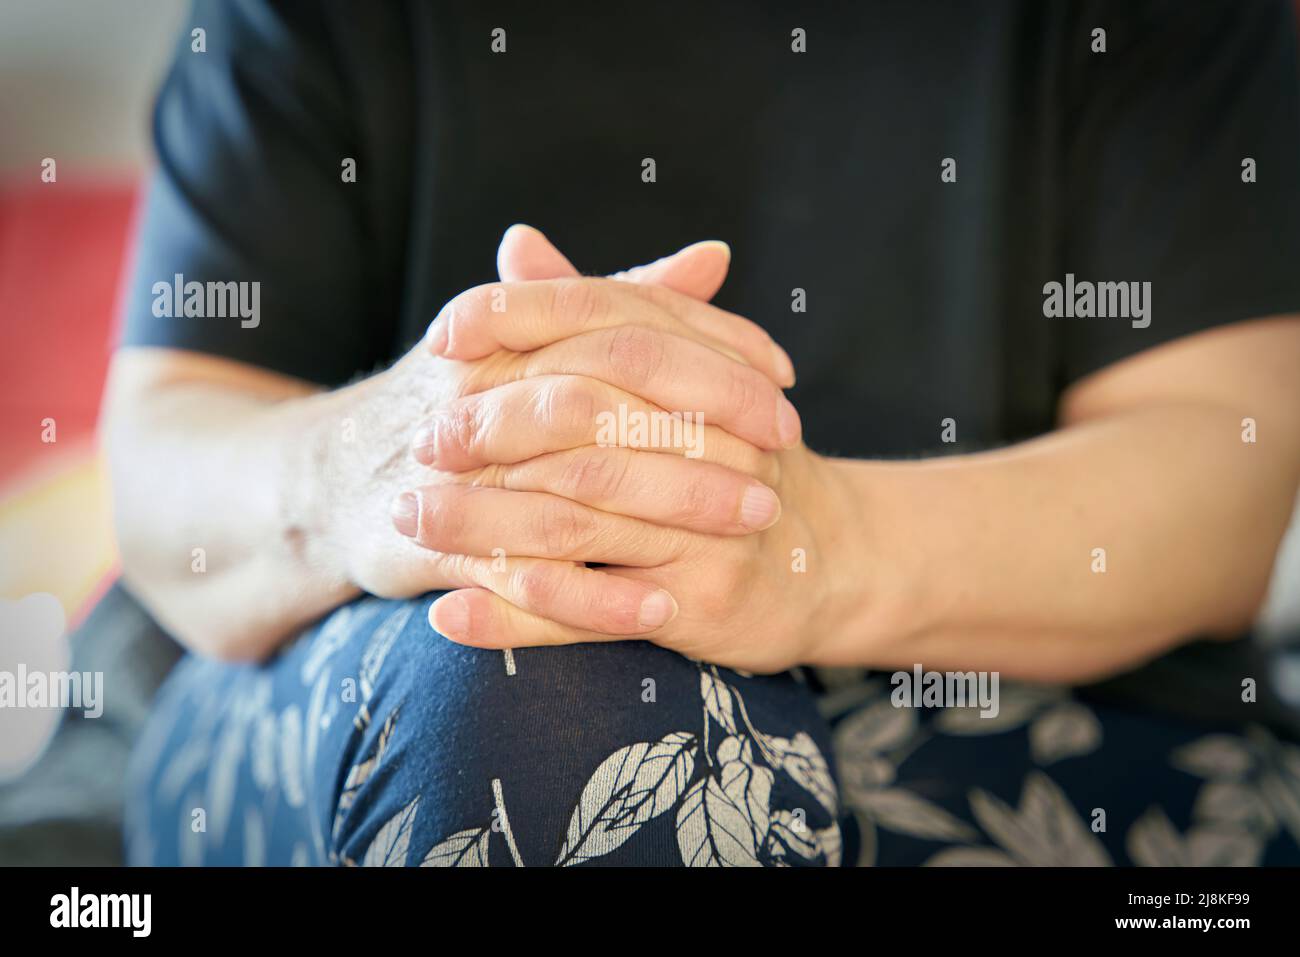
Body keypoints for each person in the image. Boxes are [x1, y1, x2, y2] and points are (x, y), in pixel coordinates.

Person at [107, 1, 1300, 866]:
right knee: (524, 691)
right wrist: (402, 461)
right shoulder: (301, 22)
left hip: (1009, 699)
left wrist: (815, 549)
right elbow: (166, 466)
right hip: (384, 677)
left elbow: (1225, 477)